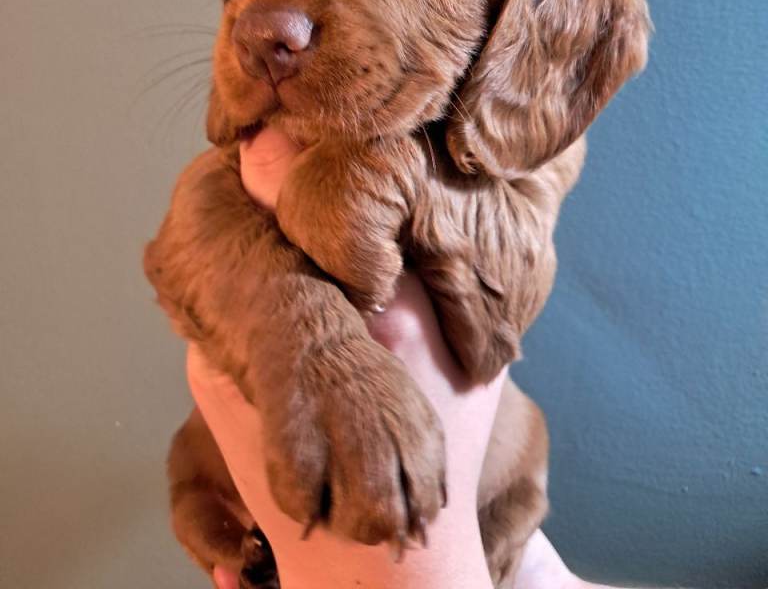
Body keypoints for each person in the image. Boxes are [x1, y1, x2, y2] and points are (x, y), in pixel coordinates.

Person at [188, 129, 615, 589]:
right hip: (252, 508)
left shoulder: (519, 146)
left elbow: (496, 326)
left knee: (516, 489)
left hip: (480, 516)